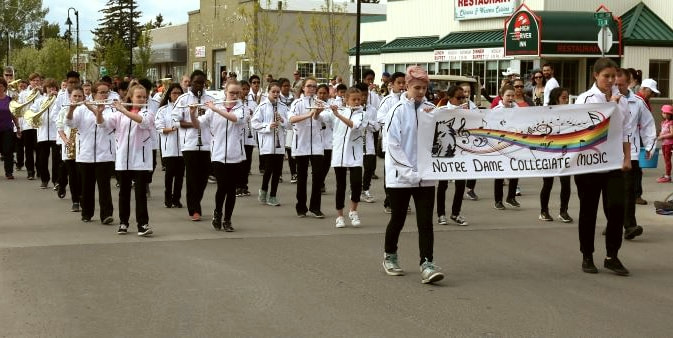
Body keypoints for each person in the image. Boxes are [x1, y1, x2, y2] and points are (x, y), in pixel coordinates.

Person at [382, 66, 444, 284]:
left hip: (425, 176)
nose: (420, 92)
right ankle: (390, 255)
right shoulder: (396, 110)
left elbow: (440, 139)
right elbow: (392, 145)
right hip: (400, 177)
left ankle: (427, 263)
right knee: (397, 218)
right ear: (406, 86)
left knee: (425, 222)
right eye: (416, 87)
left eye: (424, 88)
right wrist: (409, 172)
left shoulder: (430, 110)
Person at [574, 57, 634, 276]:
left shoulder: (623, 100)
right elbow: (583, 130)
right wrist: (611, 107)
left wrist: (627, 158)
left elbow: (626, 130)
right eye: (606, 76)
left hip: (614, 162)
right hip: (589, 163)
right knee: (588, 210)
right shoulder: (585, 99)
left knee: (617, 208)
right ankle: (587, 255)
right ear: (595, 76)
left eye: (613, 76)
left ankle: (612, 255)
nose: (610, 81)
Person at [191, 81, 245, 232]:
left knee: (231, 189)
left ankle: (227, 219)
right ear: (225, 92)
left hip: (235, 155)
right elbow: (197, 125)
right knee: (222, 187)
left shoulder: (242, 108)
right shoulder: (214, 108)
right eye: (231, 93)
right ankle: (217, 213)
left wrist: (215, 108)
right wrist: (192, 114)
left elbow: (235, 119)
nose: (234, 95)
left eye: (237, 93)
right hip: (218, 155)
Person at [107, 85, 154, 236]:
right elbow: (104, 125)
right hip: (123, 159)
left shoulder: (148, 112)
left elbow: (143, 122)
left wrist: (123, 110)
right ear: (131, 97)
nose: (141, 99)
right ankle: (123, 223)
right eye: (138, 96)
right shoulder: (118, 114)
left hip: (141, 160)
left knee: (140, 194)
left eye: (144, 97)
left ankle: (142, 224)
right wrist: (97, 111)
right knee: (124, 193)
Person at [65, 81, 115, 224]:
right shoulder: (82, 109)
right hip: (85, 153)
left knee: (104, 187)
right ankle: (87, 213)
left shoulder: (112, 109)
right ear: (94, 94)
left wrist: (95, 110)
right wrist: (71, 110)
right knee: (87, 186)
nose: (105, 95)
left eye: (107, 92)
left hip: (104, 153)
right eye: (102, 92)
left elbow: (104, 125)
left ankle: (106, 214)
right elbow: (70, 124)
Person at [616, 69, 656, 240]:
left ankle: (630, 226)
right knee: (611, 193)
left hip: (630, 153)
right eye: (615, 84)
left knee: (628, 191)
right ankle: (613, 223)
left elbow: (648, 125)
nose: (617, 87)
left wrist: (649, 147)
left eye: (621, 84)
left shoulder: (638, 102)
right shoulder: (605, 100)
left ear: (629, 82)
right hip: (608, 155)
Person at [172, 70, 215, 221]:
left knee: (203, 178)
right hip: (189, 144)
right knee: (192, 177)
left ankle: (197, 202)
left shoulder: (210, 99)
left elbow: (214, 119)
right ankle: (194, 209)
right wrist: (194, 124)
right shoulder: (183, 99)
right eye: (196, 82)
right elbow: (175, 121)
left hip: (206, 144)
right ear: (190, 82)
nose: (199, 86)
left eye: (202, 83)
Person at [289, 77, 327, 218]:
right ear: (303, 88)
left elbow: (324, 120)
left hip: (317, 144)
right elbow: (291, 119)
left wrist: (317, 113)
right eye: (309, 86)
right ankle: (301, 207)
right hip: (302, 144)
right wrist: (308, 114)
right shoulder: (297, 103)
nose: (312, 88)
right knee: (302, 177)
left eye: (314, 86)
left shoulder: (320, 102)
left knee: (318, 177)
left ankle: (315, 207)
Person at [327, 87, 364, 228]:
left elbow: (354, 125)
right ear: (346, 100)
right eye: (353, 99)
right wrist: (317, 112)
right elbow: (320, 118)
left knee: (356, 184)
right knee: (340, 186)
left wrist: (337, 115)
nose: (356, 102)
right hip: (339, 154)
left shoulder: (362, 114)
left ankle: (353, 211)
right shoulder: (339, 111)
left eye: (358, 99)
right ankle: (340, 216)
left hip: (355, 155)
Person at [436, 85, 470, 226]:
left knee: (461, 184)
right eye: (459, 98)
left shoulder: (468, 110)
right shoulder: (441, 110)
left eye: (464, 97)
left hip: (462, 151)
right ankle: (441, 214)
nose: (462, 100)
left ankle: (456, 213)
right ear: (449, 98)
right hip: (445, 150)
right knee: (443, 184)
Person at [539, 87, 573, 223]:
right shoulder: (547, 113)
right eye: (563, 98)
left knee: (566, 183)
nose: (566, 101)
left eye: (567, 98)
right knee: (548, 183)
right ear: (556, 98)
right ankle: (543, 211)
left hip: (565, 153)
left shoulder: (570, 113)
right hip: (549, 153)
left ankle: (563, 211)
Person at [252, 82, 289, 206]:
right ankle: (263, 190)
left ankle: (273, 195)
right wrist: (268, 126)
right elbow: (254, 123)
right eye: (273, 91)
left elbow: (290, 124)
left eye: (278, 92)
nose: (276, 94)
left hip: (279, 142)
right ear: (268, 92)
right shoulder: (262, 106)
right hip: (267, 143)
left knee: (277, 171)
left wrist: (282, 120)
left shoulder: (283, 106)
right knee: (268, 170)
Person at [155, 83, 185, 208]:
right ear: (169, 94)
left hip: (183, 147)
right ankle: (168, 198)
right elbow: (159, 126)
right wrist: (171, 129)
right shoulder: (163, 110)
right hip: (169, 147)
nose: (177, 96)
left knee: (180, 176)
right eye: (174, 93)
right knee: (170, 174)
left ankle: (176, 199)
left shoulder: (186, 108)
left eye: (179, 93)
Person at [55, 86, 84, 212]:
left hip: (83, 146)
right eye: (75, 96)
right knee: (72, 174)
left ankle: (82, 197)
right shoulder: (64, 110)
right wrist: (66, 140)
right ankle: (75, 201)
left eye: (79, 96)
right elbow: (60, 128)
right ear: (70, 97)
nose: (77, 98)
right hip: (69, 145)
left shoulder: (85, 110)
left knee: (81, 175)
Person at [492, 85, 521, 210]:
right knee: (500, 173)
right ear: (502, 96)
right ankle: (498, 200)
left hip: (514, 144)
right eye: (508, 95)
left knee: (515, 171)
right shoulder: (496, 110)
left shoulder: (518, 109)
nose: (510, 98)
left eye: (512, 96)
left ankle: (511, 197)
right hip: (500, 144)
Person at [30, 79, 61, 190]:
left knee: (56, 159)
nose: (51, 90)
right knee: (42, 158)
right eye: (49, 88)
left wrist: (57, 98)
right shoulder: (40, 100)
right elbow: (33, 112)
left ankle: (56, 180)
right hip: (43, 133)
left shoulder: (59, 99)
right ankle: (44, 179)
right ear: (45, 89)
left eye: (53, 88)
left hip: (56, 133)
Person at [634, 78, 660, 205]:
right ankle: (636, 195)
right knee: (636, 168)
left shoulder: (645, 101)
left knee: (637, 168)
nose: (653, 95)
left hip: (639, 136)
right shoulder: (638, 101)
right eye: (651, 92)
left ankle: (635, 194)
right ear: (643, 89)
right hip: (635, 137)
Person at [357, 82, 379, 203]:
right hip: (357, 143)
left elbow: (376, 127)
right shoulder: (353, 109)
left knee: (369, 168)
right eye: (362, 95)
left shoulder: (372, 109)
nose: (364, 98)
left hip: (369, 142)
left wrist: (367, 122)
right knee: (357, 169)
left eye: (366, 95)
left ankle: (365, 189)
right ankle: (356, 190)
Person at [17, 73, 42, 180]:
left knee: (39, 149)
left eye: (38, 80)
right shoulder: (23, 94)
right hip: (27, 125)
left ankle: (39, 168)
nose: (36, 82)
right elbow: (20, 110)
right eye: (34, 80)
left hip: (39, 125)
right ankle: (30, 170)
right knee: (28, 149)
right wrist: (19, 127)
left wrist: (40, 93)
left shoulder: (43, 94)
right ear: (30, 81)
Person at [458, 82, 480, 201]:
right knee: (461, 166)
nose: (466, 95)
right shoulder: (453, 105)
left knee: (473, 163)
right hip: (459, 140)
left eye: (468, 92)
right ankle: (460, 189)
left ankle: (470, 189)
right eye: (464, 92)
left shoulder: (473, 106)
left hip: (471, 139)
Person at [237, 80, 258, 196]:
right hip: (238, 137)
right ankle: (237, 186)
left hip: (249, 137)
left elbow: (256, 117)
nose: (245, 91)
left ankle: (244, 186)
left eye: (246, 89)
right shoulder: (235, 103)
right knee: (239, 162)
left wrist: (251, 113)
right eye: (243, 89)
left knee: (247, 162)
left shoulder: (252, 103)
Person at [0, 78, 20, 179]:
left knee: (8, 151)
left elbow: (13, 115)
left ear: (4, 87)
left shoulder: (9, 100)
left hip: (7, 128)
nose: (0, 88)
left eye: (1, 86)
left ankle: (9, 172)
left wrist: (18, 127)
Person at [316, 84, 333, 194]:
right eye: (320, 93)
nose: (322, 95)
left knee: (326, 164)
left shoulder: (331, 105)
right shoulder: (313, 104)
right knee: (318, 165)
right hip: (316, 139)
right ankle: (318, 184)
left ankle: (321, 181)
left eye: (324, 93)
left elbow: (330, 117)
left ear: (328, 94)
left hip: (328, 139)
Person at [657, 105, 673, 183]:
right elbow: (662, 131)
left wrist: (663, 136)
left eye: (667, 113)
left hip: (669, 144)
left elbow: (672, 134)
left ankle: (668, 176)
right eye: (663, 112)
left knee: (667, 160)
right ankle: (667, 174)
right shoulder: (663, 122)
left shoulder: (671, 123)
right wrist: (659, 135)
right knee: (665, 160)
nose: (665, 114)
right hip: (664, 144)